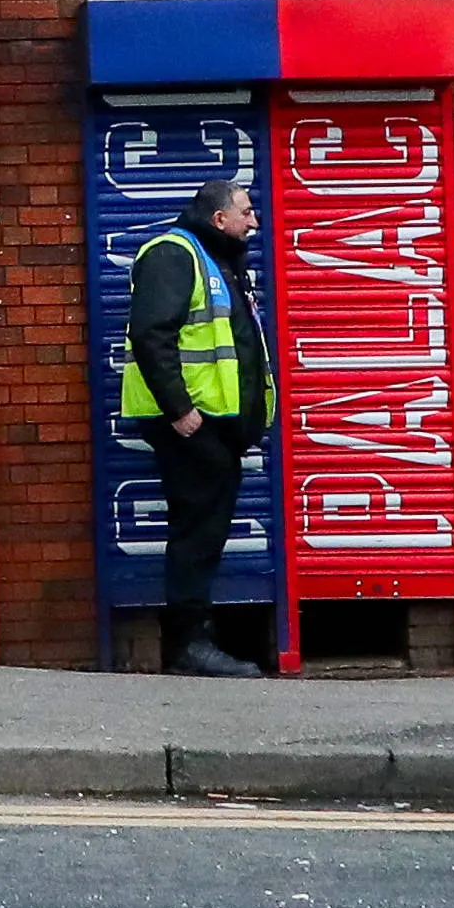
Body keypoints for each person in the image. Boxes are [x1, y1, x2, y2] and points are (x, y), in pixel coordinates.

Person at [121, 176, 272, 679]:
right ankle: (188, 645)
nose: (254, 221)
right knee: (196, 534)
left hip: (217, 427)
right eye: (246, 212)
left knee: (205, 532)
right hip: (191, 427)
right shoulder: (173, 254)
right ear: (219, 218)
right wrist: (180, 411)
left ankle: (195, 639)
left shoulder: (219, 260)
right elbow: (151, 334)